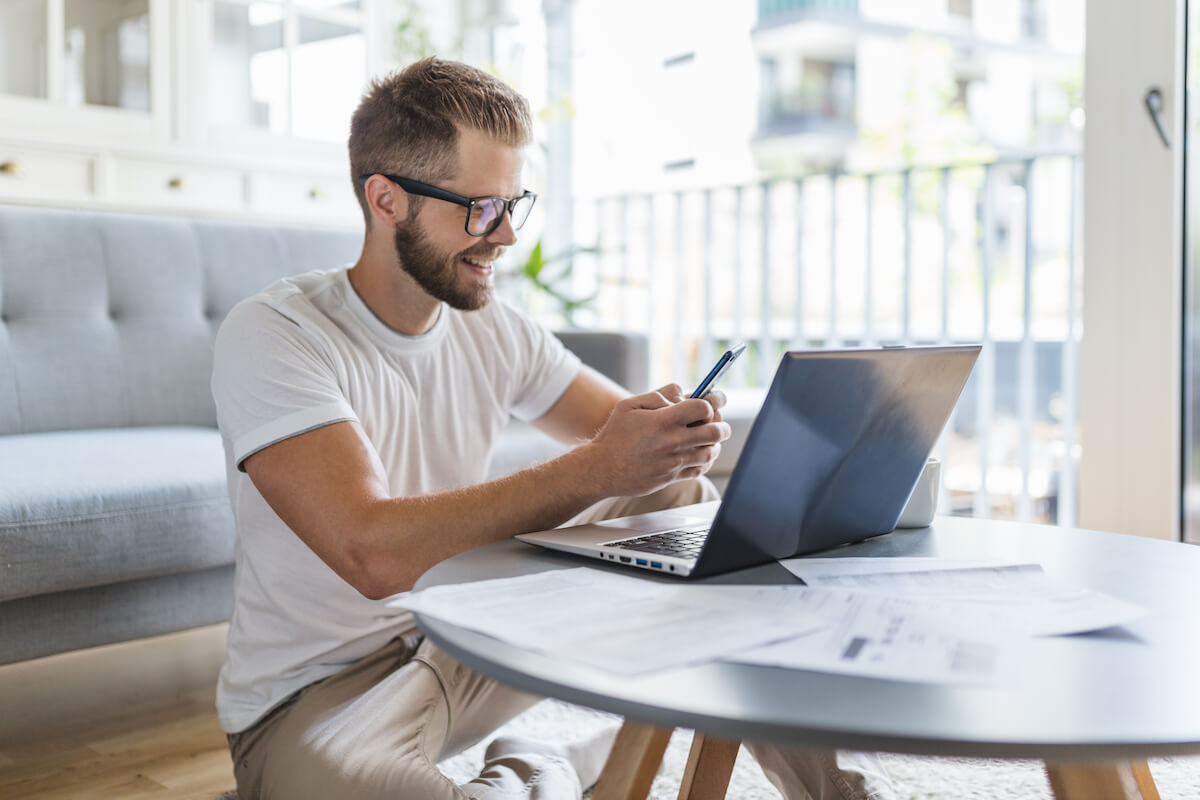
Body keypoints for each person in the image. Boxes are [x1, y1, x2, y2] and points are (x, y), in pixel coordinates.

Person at [211, 56, 896, 800]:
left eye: (514, 204)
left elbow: (629, 442)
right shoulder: (277, 333)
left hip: (463, 643)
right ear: (385, 200)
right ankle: (545, 762)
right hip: (319, 702)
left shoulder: (494, 326)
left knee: (679, 493)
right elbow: (370, 553)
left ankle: (836, 792)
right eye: (479, 208)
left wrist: (669, 438)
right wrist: (600, 467)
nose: (504, 237)